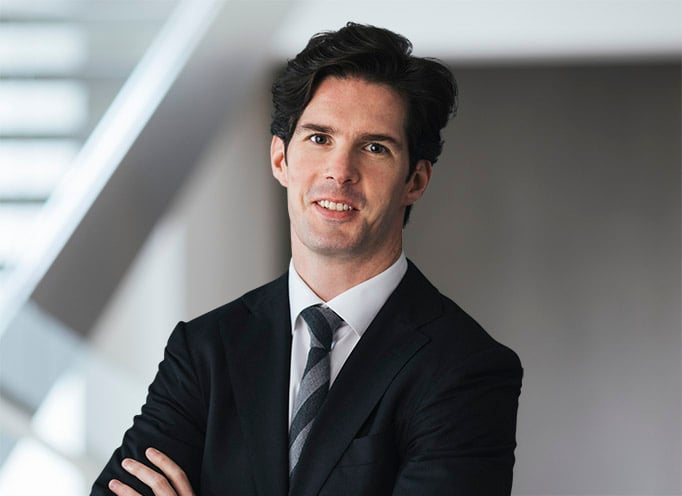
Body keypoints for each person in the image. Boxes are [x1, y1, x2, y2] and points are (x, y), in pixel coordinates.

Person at [92, 22, 522, 496]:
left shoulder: (466, 368)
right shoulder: (204, 350)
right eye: (320, 139)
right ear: (281, 159)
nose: (340, 171)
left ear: (415, 181)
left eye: (374, 148)